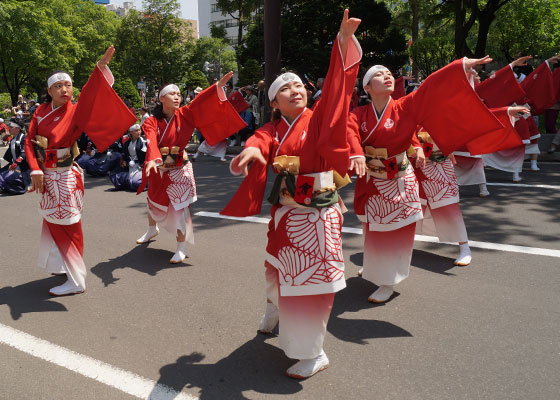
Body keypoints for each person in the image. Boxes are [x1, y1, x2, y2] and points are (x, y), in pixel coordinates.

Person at [221, 9, 362, 379]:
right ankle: (274, 308)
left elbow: (336, 93)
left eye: (299, 84)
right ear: (274, 102)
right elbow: (262, 139)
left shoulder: (319, 120)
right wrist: (252, 150)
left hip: (316, 218)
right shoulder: (272, 128)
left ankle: (312, 352)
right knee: (276, 271)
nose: (295, 89)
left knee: (309, 284)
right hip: (285, 214)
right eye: (285, 88)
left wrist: (342, 44)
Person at [349, 55, 526, 304]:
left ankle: (390, 279)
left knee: (415, 222)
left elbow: (433, 86)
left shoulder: (407, 105)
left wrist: (460, 65)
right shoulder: (359, 114)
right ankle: (377, 269)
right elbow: (350, 132)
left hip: (413, 173)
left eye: (389, 72)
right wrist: (357, 152)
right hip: (378, 179)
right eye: (378, 74)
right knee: (375, 228)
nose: (387, 75)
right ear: (367, 87)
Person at [24, 45, 137, 296]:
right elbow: (29, 142)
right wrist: (34, 169)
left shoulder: (77, 109)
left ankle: (77, 279)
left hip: (65, 175)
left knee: (70, 224)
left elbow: (91, 92)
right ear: (48, 90)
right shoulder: (40, 113)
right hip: (46, 175)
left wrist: (100, 69)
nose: (65, 89)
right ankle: (62, 265)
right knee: (53, 221)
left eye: (68, 84)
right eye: (58, 86)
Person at [135, 73, 246, 264]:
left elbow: (201, 102)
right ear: (161, 99)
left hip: (179, 168)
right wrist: (153, 159)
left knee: (180, 209)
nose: (177, 96)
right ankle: (152, 229)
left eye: (179, 93)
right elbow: (152, 139)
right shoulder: (150, 121)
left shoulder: (185, 114)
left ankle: (181, 248)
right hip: (159, 167)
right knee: (152, 201)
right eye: (172, 94)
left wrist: (217, 87)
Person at [109, 124, 146, 191]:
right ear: (131, 132)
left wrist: (143, 165)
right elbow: (124, 154)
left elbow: (146, 156)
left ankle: (144, 182)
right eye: (136, 131)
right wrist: (124, 161)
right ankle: (128, 181)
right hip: (129, 165)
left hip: (140, 166)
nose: (138, 132)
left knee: (135, 183)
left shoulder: (143, 142)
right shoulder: (127, 143)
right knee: (114, 175)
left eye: (139, 130)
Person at [0, 117, 30, 195]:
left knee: (7, 178)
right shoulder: (12, 140)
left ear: (18, 129)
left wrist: (15, 163)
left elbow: (24, 153)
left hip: (23, 167)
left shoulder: (24, 138)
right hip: (14, 164)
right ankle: (6, 187)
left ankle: (22, 187)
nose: (9, 129)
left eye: (11, 127)